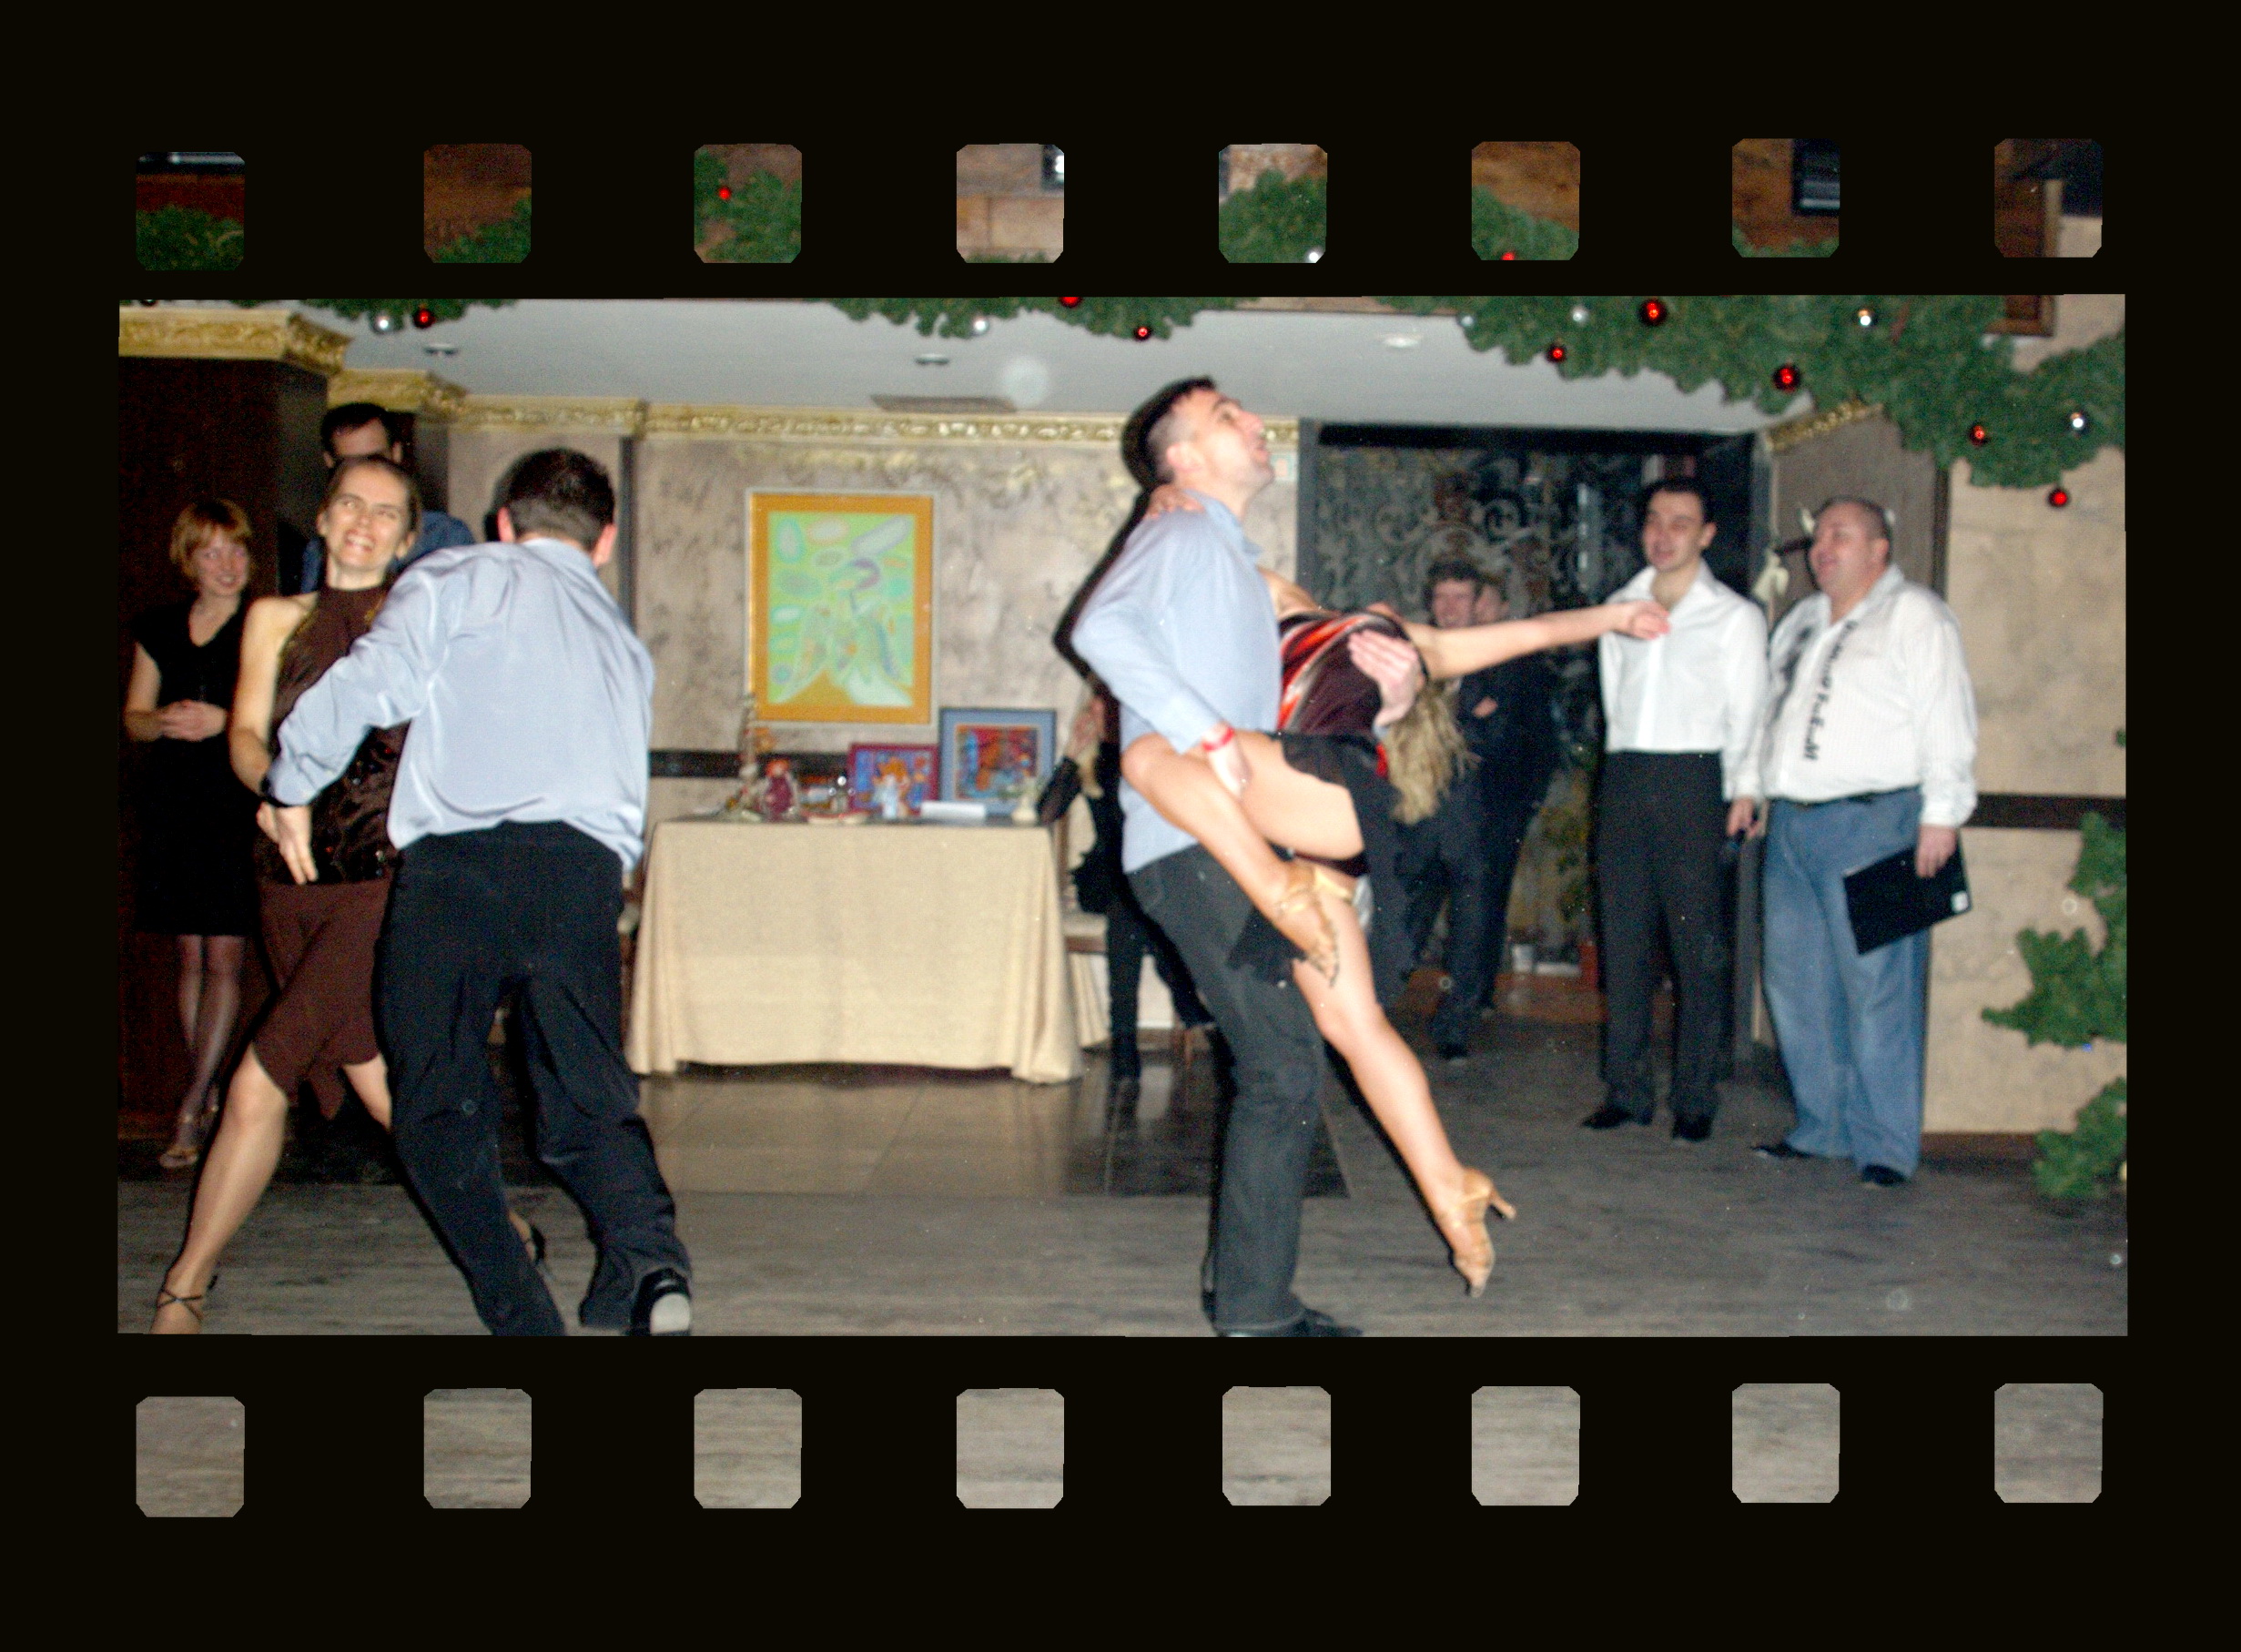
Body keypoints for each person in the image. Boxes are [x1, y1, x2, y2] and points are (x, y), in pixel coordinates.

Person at [1074, 379, 1668, 1323]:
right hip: (1256, 827)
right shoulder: (1194, 540)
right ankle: (1287, 1283)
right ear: (1181, 461)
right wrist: (1210, 727)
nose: (1253, 422)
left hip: (1298, 823)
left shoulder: (1267, 586)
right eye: (1228, 417)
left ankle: (1432, 1189)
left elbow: (1486, 643)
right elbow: (1107, 630)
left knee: (1317, 1049)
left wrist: (1601, 622)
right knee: (1305, 1045)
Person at [264, 448, 692, 1335]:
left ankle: (520, 1310)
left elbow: (369, 686)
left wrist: (290, 784)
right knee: (586, 1093)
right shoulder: (623, 644)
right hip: (578, 873)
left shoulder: (456, 576)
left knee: (435, 1097)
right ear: (605, 540)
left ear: (504, 522)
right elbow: (624, 786)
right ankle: (649, 1266)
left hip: (458, 871)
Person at [1730, 497, 1978, 1188]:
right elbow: (1767, 712)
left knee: (1878, 989)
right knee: (1796, 984)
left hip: (1879, 822)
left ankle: (1886, 1146)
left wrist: (1942, 815)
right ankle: (1823, 1126)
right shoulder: (1802, 621)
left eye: (1841, 535)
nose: (1822, 548)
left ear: (1879, 549)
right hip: (1794, 826)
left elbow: (1946, 716)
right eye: (1819, 537)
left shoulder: (1916, 615)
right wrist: (1750, 786)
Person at [1582, 479, 1769, 1143]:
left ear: (1707, 534)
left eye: (1681, 523)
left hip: (1695, 779)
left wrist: (1745, 788)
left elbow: (1750, 709)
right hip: (1627, 774)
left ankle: (1695, 1095)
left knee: (1697, 947)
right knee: (1623, 940)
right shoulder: (1619, 606)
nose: (1664, 535)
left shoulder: (1734, 616)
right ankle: (1627, 1090)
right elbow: (1614, 697)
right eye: (1655, 521)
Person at [125, 500, 261, 1169]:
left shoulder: (264, 623)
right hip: (176, 801)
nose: (227, 565)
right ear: (189, 560)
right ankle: (202, 1092)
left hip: (233, 801)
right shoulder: (159, 627)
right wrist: (164, 721)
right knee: (190, 958)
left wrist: (223, 721)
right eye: (212, 552)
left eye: (236, 550)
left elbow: (285, 713)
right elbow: (133, 717)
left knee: (225, 958)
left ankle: (191, 1104)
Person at [1395, 560, 1560, 1062]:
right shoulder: (1413, 656)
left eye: (1460, 597)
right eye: (1441, 597)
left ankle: (1456, 1028)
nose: (1449, 608)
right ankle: (1370, 1016)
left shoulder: (1502, 662)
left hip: (1478, 818)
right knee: (1403, 924)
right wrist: (1471, 712)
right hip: (1420, 815)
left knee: (1472, 926)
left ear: (1477, 603)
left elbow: (1511, 739)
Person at [1056, 688, 1213, 1107]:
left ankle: (1124, 1040)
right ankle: (1183, 1000)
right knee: (1135, 904)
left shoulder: (1147, 752)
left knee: (1138, 906)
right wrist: (1071, 754)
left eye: (1110, 700)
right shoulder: (1090, 762)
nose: (1102, 709)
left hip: (1144, 872)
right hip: (1104, 876)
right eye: (1095, 701)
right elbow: (1045, 811)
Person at [294, 403, 475, 595]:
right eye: (350, 464)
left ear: (396, 453)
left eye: (376, 459)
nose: (366, 473)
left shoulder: (444, 535)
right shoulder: (319, 549)